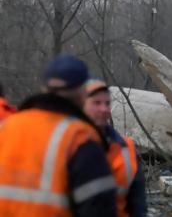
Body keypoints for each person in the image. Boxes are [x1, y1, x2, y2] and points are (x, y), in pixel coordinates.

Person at [0, 55, 117, 217]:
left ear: (44, 88)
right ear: (83, 93)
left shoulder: (7, 127)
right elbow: (99, 210)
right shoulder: (80, 138)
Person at [84, 79, 147, 217]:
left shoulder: (126, 149)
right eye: (97, 103)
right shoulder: (66, 146)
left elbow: (138, 206)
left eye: (107, 103)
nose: (104, 109)